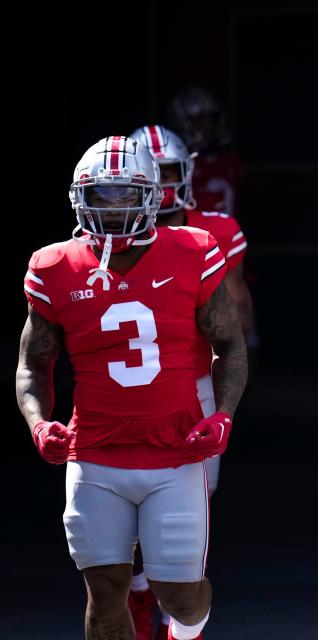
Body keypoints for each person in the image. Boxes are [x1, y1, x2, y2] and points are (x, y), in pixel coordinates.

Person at [17, 136, 248, 640]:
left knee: (180, 597)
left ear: (152, 196)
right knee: (105, 596)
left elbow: (229, 345)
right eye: (103, 196)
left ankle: (183, 634)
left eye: (127, 195)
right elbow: (33, 364)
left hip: (174, 451)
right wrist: (39, 424)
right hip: (95, 454)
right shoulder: (54, 266)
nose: (116, 208)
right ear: (81, 199)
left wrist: (223, 412)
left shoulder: (193, 249)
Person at [126, 124, 254, 638]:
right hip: (128, 389)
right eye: (148, 177)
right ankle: (138, 590)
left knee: (192, 503)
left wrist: (231, 385)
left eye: (169, 175)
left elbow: (238, 313)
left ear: (188, 173)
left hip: (196, 380)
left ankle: (171, 610)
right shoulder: (99, 241)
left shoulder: (214, 233)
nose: (159, 188)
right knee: (123, 502)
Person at [166, 86, 244, 216]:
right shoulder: (172, 164)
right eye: (199, 121)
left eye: (210, 120)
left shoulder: (230, 162)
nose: (207, 127)